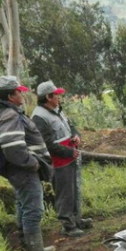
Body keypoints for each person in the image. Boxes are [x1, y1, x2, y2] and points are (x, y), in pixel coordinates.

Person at [0, 76, 63, 251]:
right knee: (34, 209)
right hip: (22, 170)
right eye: (18, 92)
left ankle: (30, 246)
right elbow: (13, 147)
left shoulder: (5, 112)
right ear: (10, 95)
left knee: (23, 205)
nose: (22, 94)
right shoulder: (9, 115)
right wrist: (32, 163)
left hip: (18, 170)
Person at [32, 80, 91, 237]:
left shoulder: (58, 110)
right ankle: (68, 225)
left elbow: (70, 126)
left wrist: (76, 136)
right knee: (64, 192)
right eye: (56, 95)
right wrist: (67, 152)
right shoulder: (39, 117)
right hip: (58, 162)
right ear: (48, 97)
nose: (59, 97)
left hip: (70, 158)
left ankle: (76, 220)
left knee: (73, 190)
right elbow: (46, 144)